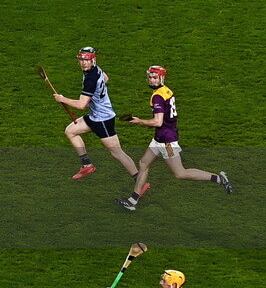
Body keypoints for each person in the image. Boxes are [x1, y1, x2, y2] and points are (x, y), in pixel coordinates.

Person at [115, 66, 232, 211]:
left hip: (167, 142)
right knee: (143, 163)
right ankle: (133, 200)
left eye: (155, 77)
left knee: (180, 173)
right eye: (150, 77)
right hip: (161, 137)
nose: (152, 80)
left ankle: (219, 179)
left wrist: (140, 121)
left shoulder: (157, 96)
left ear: (162, 78)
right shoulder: (167, 91)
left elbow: (157, 122)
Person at [53, 47, 140, 180]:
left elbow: (81, 105)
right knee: (70, 131)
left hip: (103, 120)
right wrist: (96, 96)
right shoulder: (95, 69)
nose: (83, 63)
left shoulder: (90, 79)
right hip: (94, 117)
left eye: (87, 60)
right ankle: (87, 165)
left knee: (117, 153)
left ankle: (139, 180)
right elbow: (106, 78)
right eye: (81, 59)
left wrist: (62, 99)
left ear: (93, 60)